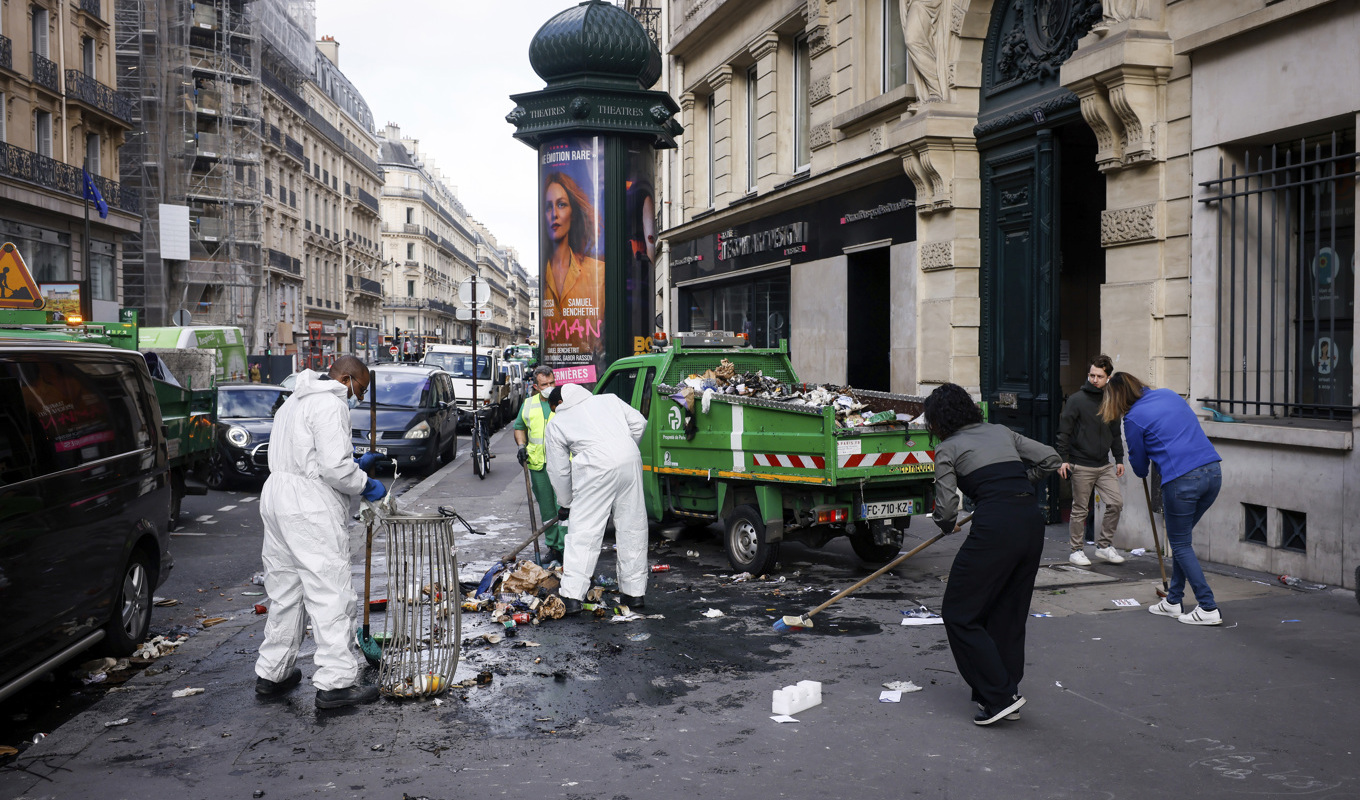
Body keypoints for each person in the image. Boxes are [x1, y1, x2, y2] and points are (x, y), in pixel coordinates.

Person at [254, 355, 388, 709]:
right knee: (329, 589)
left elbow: (309, 454)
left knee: (285, 588)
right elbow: (333, 469)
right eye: (360, 388)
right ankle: (337, 683)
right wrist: (365, 482)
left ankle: (273, 672)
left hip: (277, 495)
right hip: (308, 503)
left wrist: (352, 462)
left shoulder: (294, 401)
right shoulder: (330, 404)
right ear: (346, 378)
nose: (358, 396)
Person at [926, 383, 1061, 726]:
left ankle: (998, 696)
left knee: (958, 612)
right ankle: (1006, 693)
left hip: (996, 527)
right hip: (1030, 522)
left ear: (938, 420)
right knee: (1008, 613)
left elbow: (945, 508)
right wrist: (1021, 482)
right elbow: (1050, 458)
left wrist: (946, 525)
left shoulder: (947, 448)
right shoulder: (1001, 431)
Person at [1100, 373, 1224, 626]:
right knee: (1182, 541)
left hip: (1181, 478)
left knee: (1179, 543)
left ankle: (1208, 606)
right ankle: (1173, 600)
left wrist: (1143, 469)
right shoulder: (1168, 394)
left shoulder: (1133, 417)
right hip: (1212, 471)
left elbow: (1137, 461)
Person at [543, 383, 649, 615]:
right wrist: (622, 449)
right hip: (630, 459)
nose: (554, 413)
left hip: (595, 467)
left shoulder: (557, 422)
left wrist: (566, 502)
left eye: (553, 409)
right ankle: (634, 593)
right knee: (632, 528)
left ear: (559, 403)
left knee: (584, 533)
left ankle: (571, 596)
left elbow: (559, 470)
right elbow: (639, 423)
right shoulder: (609, 399)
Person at [1056, 355, 1126, 566]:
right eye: (1092, 375)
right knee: (1080, 509)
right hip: (1081, 463)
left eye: (1099, 376)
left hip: (1104, 464)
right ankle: (1076, 550)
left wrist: (1120, 458)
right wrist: (1063, 459)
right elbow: (1064, 431)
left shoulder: (1111, 400)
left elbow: (1115, 433)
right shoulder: (1077, 400)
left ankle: (1104, 546)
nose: (1094, 379)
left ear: (1108, 377)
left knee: (1116, 503)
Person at [541, 171, 604, 358]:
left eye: (561, 204)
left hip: (591, 376)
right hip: (556, 377)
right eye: (548, 207)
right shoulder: (543, 276)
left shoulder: (598, 272)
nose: (554, 214)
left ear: (573, 213)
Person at [515, 365, 566, 562]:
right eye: (544, 384)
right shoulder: (528, 404)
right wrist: (521, 446)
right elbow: (519, 427)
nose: (550, 387)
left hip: (563, 465)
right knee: (547, 509)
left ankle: (565, 548)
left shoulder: (564, 402)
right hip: (538, 465)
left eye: (552, 382)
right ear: (536, 386)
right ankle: (553, 547)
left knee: (564, 507)